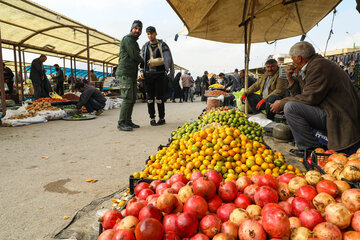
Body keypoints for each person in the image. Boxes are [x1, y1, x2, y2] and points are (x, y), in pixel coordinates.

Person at [270, 41, 360, 155]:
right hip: (329, 110)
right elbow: (302, 95)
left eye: (293, 59)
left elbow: (309, 98)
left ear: (299, 58)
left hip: (339, 115)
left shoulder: (319, 66)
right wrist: (290, 78)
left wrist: (281, 103)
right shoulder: (313, 66)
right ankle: (310, 147)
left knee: (290, 108)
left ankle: (309, 149)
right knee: (292, 105)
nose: (293, 63)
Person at [140, 26, 174, 126]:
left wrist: (157, 63)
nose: (150, 36)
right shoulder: (145, 46)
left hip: (160, 75)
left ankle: (162, 118)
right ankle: (152, 118)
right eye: (148, 34)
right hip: (148, 75)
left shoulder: (163, 45)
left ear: (156, 33)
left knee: (159, 98)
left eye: (151, 33)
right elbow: (142, 61)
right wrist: (141, 71)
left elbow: (168, 60)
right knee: (150, 98)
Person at [116, 20, 144, 131]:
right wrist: (142, 61)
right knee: (127, 98)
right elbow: (133, 55)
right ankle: (121, 122)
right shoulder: (127, 39)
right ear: (131, 29)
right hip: (125, 73)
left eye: (139, 29)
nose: (137, 31)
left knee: (132, 98)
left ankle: (128, 121)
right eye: (136, 28)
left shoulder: (134, 42)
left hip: (131, 74)